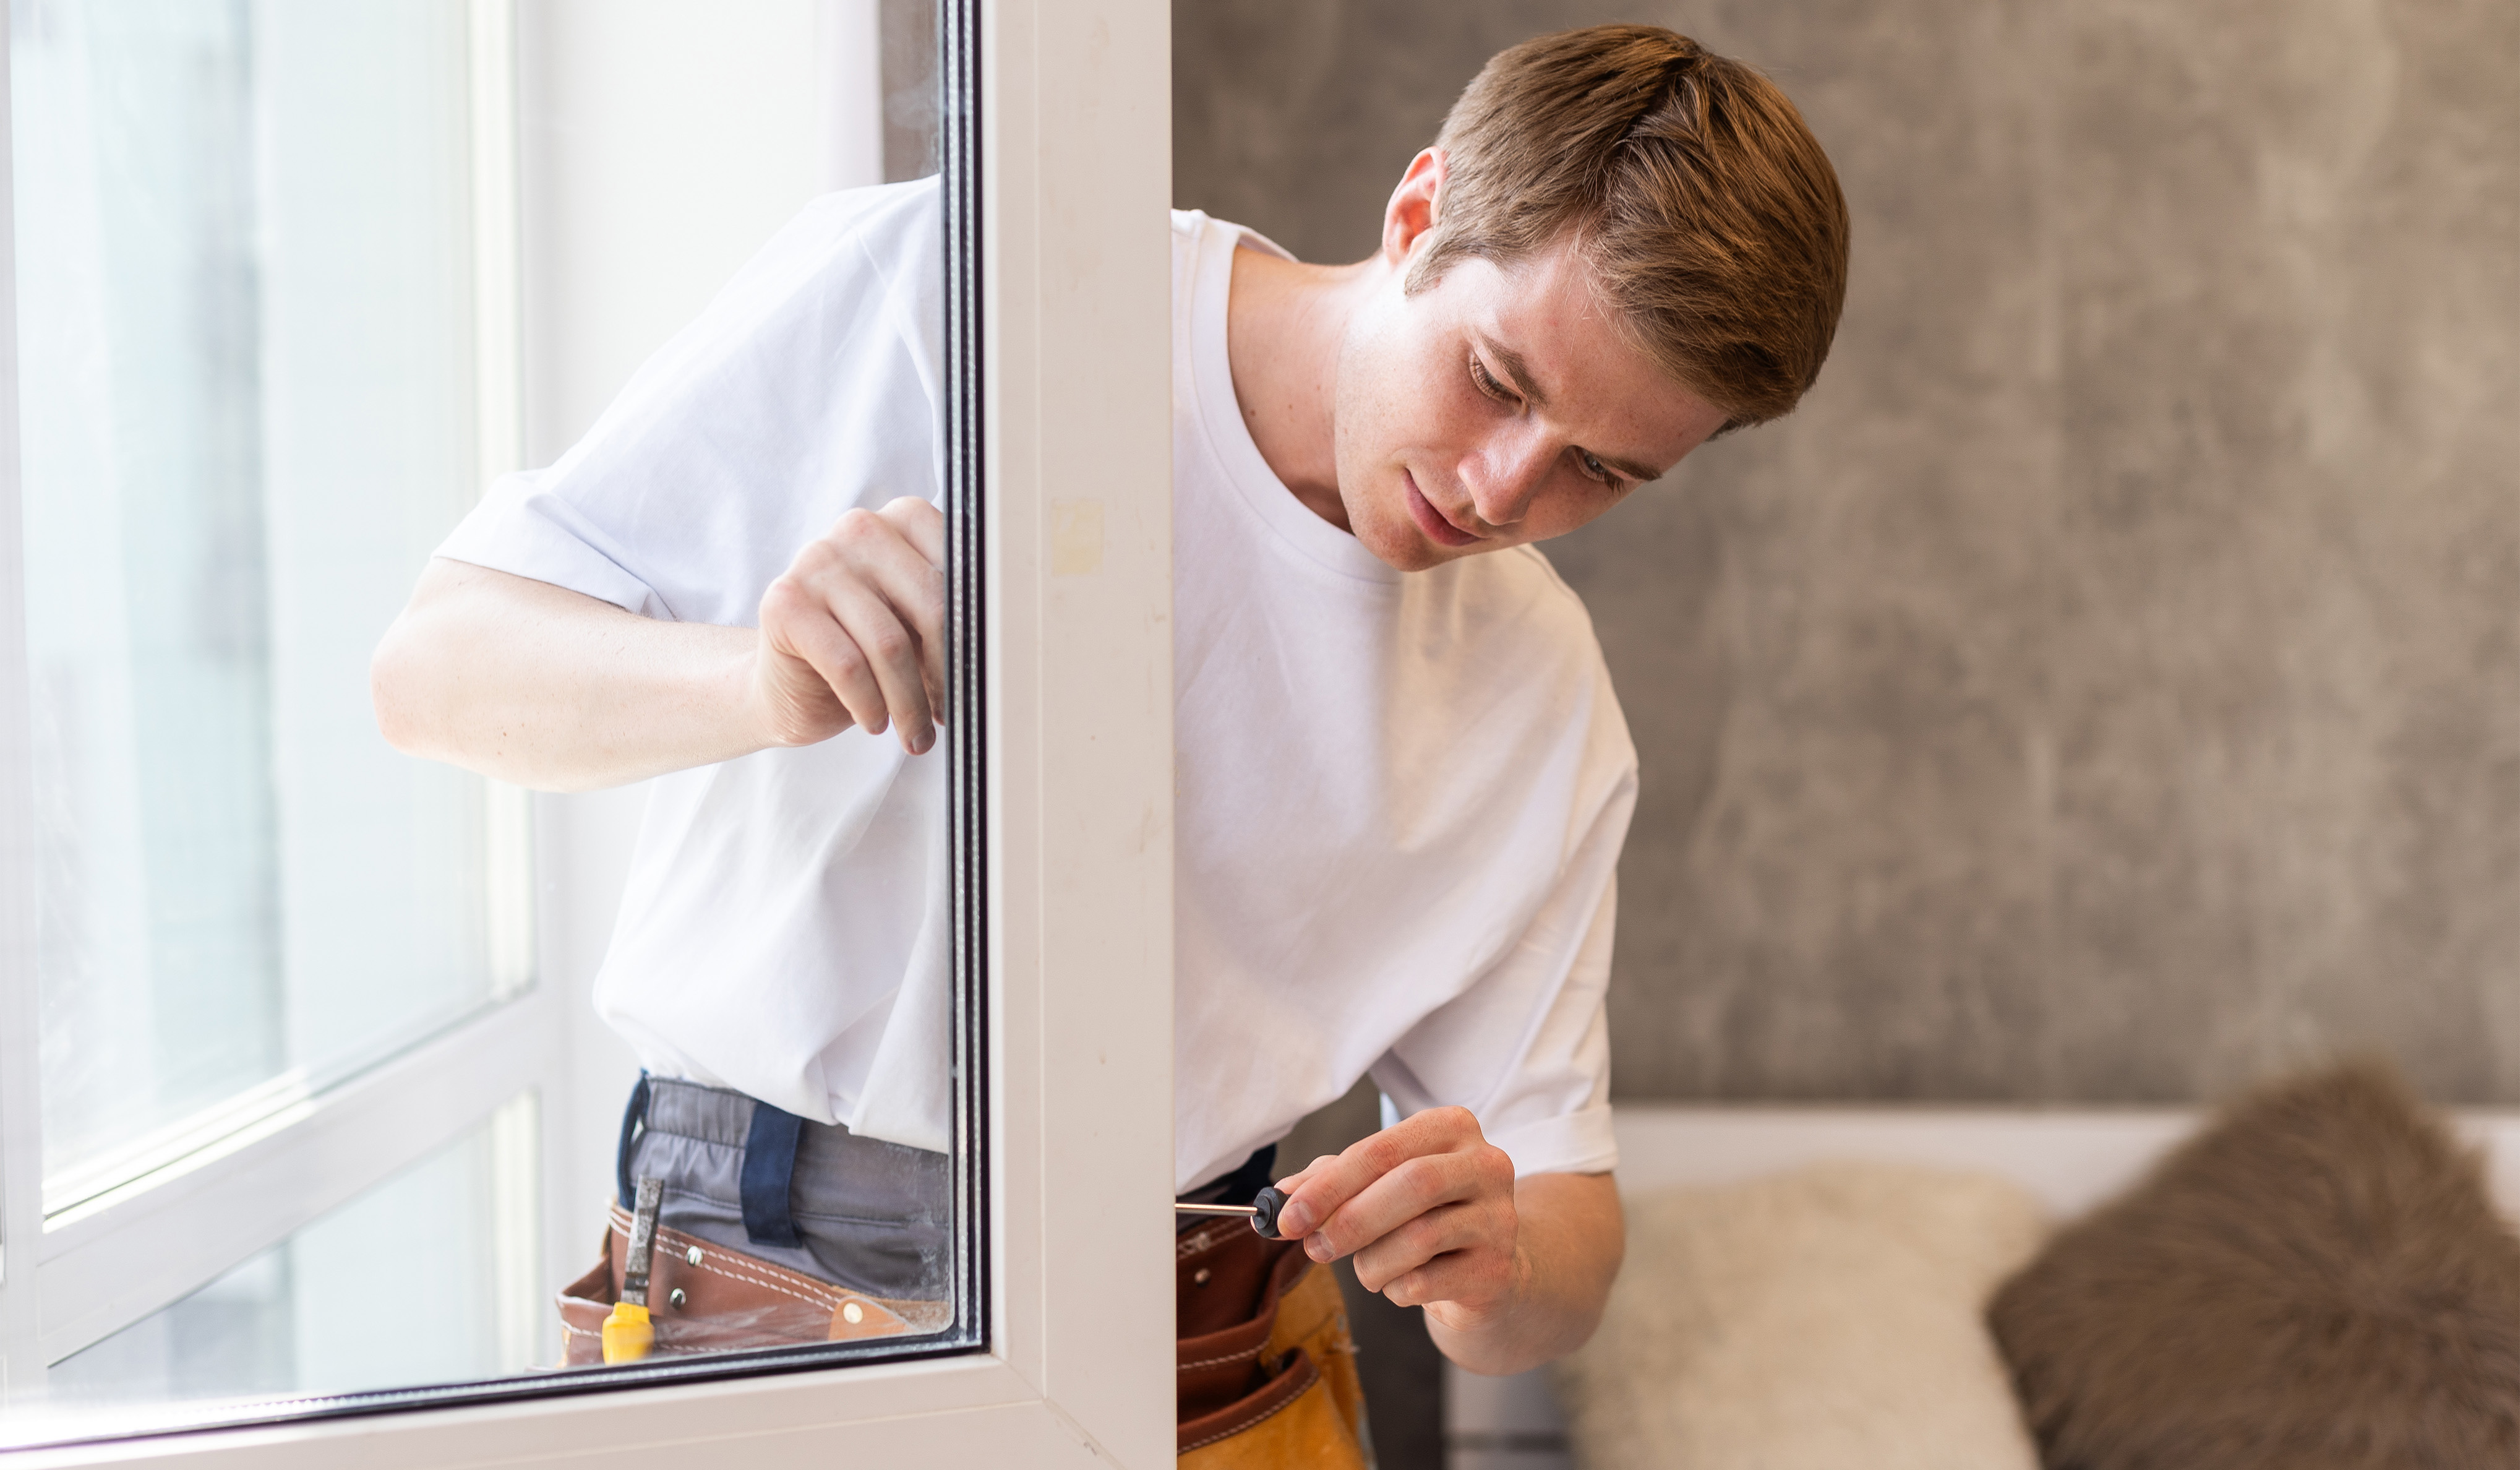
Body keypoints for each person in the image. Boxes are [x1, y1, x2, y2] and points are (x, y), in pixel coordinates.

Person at [372, 22, 1846, 1386]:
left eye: (1604, 472)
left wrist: (1501, 1254)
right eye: (1496, 381)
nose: (1501, 491)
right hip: (747, 1249)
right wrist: (757, 682)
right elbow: (435, 675)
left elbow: (1565, 1230)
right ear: (1417, 215)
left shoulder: (1544, 700)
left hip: (1203, 1317)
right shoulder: (958, 293)